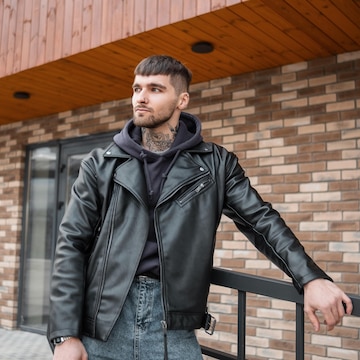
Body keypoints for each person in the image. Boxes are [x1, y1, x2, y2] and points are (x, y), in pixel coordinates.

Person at [48, 55, 353, 360]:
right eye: (137, 88)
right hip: (103, 324)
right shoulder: (101, 164)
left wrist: (309, 277)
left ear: (182, 100)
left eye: (155, 89)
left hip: (173, 327)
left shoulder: (216, 165)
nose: (141, 97)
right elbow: (71, 243)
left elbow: (261, 221)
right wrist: (64, 334)